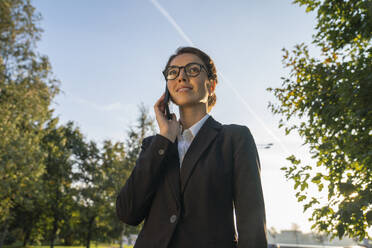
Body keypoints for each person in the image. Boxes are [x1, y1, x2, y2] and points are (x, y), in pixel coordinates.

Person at [116, 47, 268, 248]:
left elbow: (252, 226)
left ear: (211, 85)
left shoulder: (235, 139)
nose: (181, 76)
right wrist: (164, 139)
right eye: (173, 72)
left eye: (193, 69)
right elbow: (128, 212)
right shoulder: (155, 145)